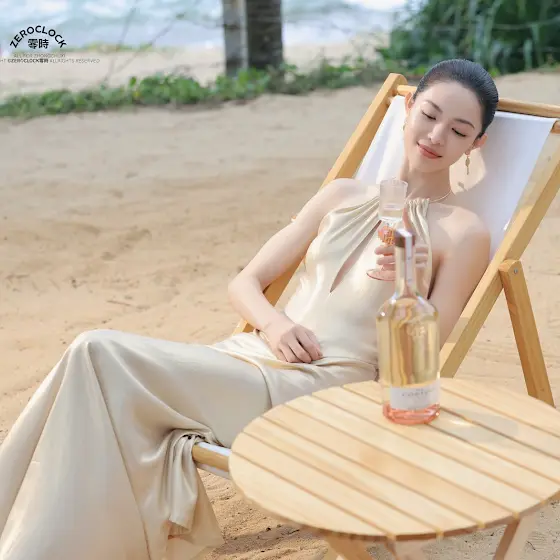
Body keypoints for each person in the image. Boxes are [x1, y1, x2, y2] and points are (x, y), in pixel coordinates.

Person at [0, 58, 498, 560]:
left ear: (475, 144)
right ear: (408, 108)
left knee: (95, 352)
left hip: (324, 391)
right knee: (91, 375)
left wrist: (412, 277)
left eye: (459, 131)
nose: (436, 136)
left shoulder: (463, 232)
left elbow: (422, 357)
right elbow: (245, 282)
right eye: (429, 114)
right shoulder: (342, 194)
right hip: (249, 357)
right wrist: (275, 324)